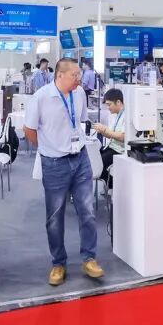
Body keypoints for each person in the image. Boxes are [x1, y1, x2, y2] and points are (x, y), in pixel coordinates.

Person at [24, 57, 104, 286]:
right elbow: (29, 129)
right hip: (54, 163)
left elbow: (79, 121)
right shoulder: (41, 97)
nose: (79, 79)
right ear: (60, 75)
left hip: (80, 159)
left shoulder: (79, 94)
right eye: (74, 75)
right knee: (54, 216)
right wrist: (47, 148)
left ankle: (89, 258)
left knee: (87, 211)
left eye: (80, 74)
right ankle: (58, 263)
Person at [92, 88, 125, 181]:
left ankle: (111, 185)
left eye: (109, 104)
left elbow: (122, 137)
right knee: (94, 157)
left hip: (119, 150)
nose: (108, 107)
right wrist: (102, 131)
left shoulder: (126, 115)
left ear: (118, 102)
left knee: (99, 165)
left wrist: (105, 129)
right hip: (112, 146)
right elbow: (112, 135)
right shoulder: (118, 115)